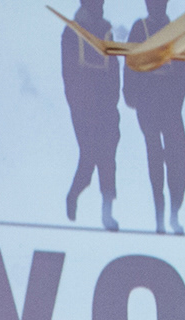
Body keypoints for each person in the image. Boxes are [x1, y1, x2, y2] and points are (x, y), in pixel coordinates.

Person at [125, 0, 185, 234]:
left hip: (171, 106)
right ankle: (160, 217)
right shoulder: (139, 28)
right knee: (155, 157)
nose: (156, 5)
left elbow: (183, 71)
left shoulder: (174, 30)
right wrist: (133, 97)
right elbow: (130, 63)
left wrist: (176, 102)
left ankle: (174, 212)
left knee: (179, 155)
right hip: (148, 105)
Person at [62, 0, 122, 231]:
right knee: (89, 158)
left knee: (108, 161)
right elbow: (69, 75)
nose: (102, 4)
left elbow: (114, 68)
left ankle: (107, 214)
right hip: (85, 110)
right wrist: (81, 107)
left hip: (106, 109)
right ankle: (73, 195)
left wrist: (112, 103)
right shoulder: (72, 32)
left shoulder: (106, 31)